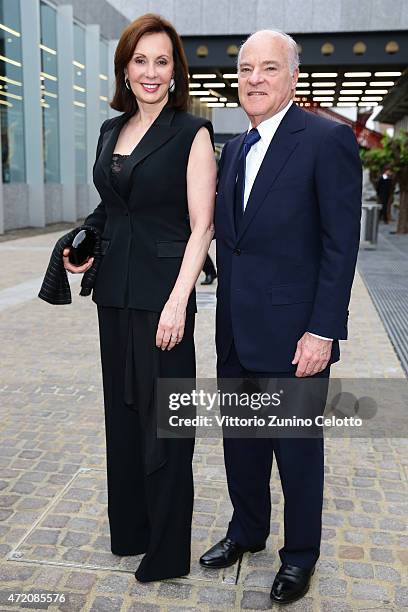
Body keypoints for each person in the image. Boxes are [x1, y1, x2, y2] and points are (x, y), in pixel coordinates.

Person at [199, 30, 362, 604]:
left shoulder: (326, 140)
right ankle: (246, 531)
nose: (255, 79)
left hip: (297, 338)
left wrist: (323, 330)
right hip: (237, 334)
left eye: (269, 68)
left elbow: (341, 246)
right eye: (246, 69)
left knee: (296, 454)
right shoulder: (236, 148)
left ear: (293, 77)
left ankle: (299, 557)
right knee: (241, 446)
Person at [62, 13, 216, 582]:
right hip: (114, 297)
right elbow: (110, 208)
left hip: (162, 300)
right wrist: (85, 242)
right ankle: (130, 531)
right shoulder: (110, 131)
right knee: (122, 417)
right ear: (125, 68)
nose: (150, 72)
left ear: (175, 71)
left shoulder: (190, 133)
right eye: (140, 60)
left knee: (167, 426)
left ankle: (168, 551)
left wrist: (178, 302)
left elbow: (202, 227)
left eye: (161, 60)